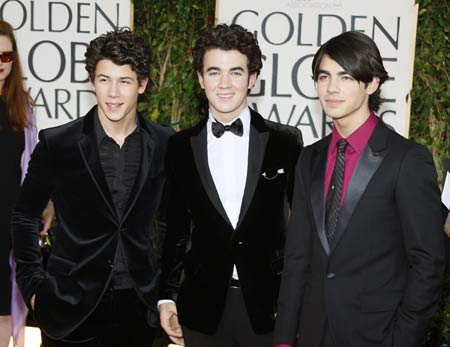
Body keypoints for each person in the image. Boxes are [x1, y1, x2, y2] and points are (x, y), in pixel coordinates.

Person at [273, 31, 445, 347]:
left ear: (372, 83)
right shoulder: (309, 158)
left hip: (378, 336)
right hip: (312, 334)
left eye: (346, 77)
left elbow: (428, 260)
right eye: (323, 77)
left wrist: (403, 339)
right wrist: (284, 339)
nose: (332, 88)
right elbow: (297, 257)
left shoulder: (406, 159)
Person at [11, 28, 173, 347]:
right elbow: (24, 215)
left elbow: (171, 223)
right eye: (104, 79)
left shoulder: (166, 143)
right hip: (69, 304)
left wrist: (167, 293)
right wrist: (32, 287)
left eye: (124, 81)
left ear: (142, 84)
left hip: (140, 309)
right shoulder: (58, 143)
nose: (113, 93)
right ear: (92, 82)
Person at [158, 23, 303, 347]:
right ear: (200, 79)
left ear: (252, 78)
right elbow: (175, 229)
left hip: (269, 308)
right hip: (200, 309)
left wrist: (298, 298)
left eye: (235, 72)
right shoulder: (179, 146)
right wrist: (167, 297)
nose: (224, 84)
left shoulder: (285, 142)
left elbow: (301, 230)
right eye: (214, 72)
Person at [0, 20, 53, 347]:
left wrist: (46, 204)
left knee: (8, 311)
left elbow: (33, 170)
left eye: (6, 56)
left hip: (10, 228)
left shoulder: (23, 110)